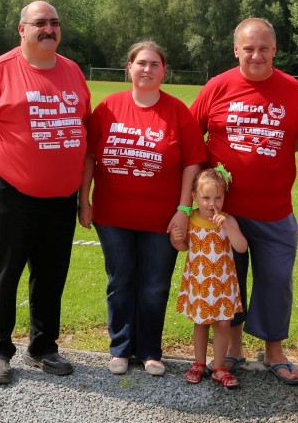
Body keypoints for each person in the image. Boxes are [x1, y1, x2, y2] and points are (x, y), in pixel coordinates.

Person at [0, 0, 91, 385]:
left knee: (51, 276)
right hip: (10, 196)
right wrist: (9, 165)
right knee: (4, 273)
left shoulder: (72, 71)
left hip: (60, 198)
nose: (48, 29)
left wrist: (79, 194)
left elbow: (81, 127)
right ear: (22, 29)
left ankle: (43, 347)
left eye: (54, 22)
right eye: (39, 23)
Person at [188, 17, 298, 385]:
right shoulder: (217, 87)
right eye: (248, 48)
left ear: (274, 50)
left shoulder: (293, 90)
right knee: (227, 282)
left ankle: (273, 352)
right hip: (223, 213)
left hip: (273, 210)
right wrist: (192, 202)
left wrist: (288, 145)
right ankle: (232, 350)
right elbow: (190, 137)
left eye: (263, 48)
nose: (256, 55)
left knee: (276, 280)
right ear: (236, 49)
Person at [78, 40, 206, 377]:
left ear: (164, 70)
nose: (147, 69)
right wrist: (83, 199)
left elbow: (193, 163)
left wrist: (183, 209)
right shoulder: (108, 108)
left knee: (154, 285)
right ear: (129, 68)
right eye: (141, 63)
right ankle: (120, 348)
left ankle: (149, 350)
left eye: (154, 64)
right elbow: (90, 156)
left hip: (161, 220)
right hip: (113, 216)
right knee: (120, 281)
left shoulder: (178, 112)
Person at [172, 166, 247, 388]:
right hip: (199, 282)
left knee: (223, 324)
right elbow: (184, 247)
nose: (211, 203)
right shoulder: (191, 219)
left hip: (223, 282)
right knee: (200, 323)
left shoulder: (227, 220)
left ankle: (220, 366)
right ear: (194, 196)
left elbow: (241, 247)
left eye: (217, 197)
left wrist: (227, 228)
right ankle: (198, 363)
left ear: (224, 197)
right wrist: (176, 239)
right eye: (205, 198)